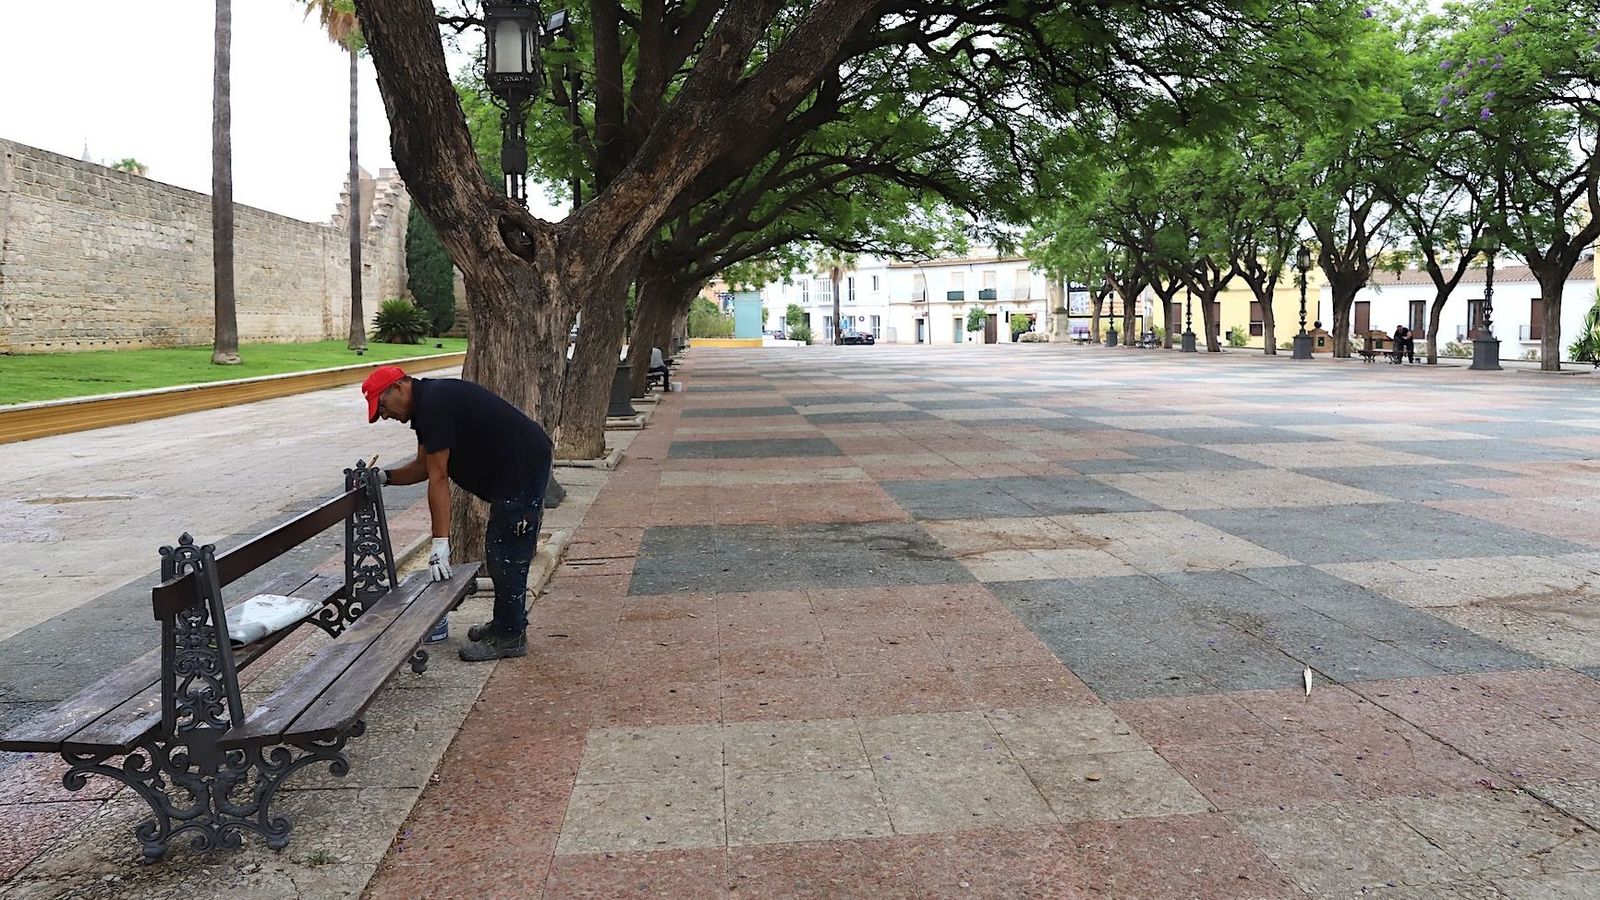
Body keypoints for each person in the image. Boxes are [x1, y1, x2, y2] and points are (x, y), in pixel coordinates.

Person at [361, 365, 553, 662]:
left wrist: (440, 544)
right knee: (500, 548)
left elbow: (438, 478)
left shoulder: (433, 406)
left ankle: (510, 634)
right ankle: (504, 623)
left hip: (522, 466)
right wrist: (385, 478)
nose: (385, 416)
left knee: (506, 550)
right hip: (518, 464)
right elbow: (424, 466)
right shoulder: (428, 404)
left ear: (399, 387)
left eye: (383, 406)